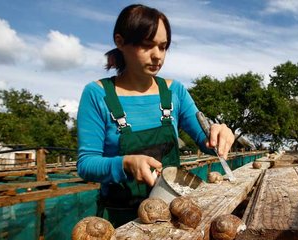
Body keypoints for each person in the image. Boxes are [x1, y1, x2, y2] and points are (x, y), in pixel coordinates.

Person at [76, 4, 235, 227]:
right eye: (147, 45)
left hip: (171, 218)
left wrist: (220, 133)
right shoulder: (97, 94)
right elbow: (86, 164)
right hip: (119, 221)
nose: (157, 56)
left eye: (163, 47)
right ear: (120, 42)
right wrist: (125, 163)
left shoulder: (174, 92)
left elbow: (208, 142)